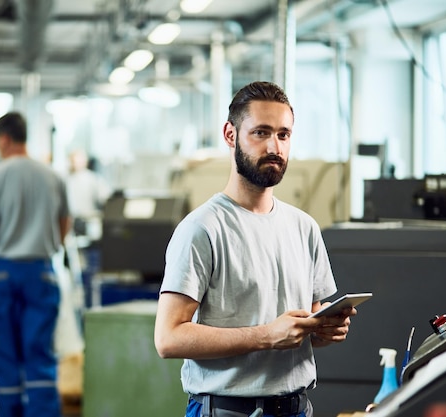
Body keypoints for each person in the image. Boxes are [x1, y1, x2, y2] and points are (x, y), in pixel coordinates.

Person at [154, 81, 355, 417]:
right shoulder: (203, 228)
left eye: (283, 134)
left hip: (296, 407)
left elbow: (306, 328)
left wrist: (323, 329)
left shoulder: (304, 227)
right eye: (260, 133)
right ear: (230, 135)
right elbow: (169, 338)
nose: (274, 146)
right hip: (227, 409)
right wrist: (266, 336)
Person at [0, 111, 71, 417]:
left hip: (1, 275)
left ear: (3, 139)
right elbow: (64, 227)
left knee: (6, 356)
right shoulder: (53, 176)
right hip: (41, 272)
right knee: (39, 354)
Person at [66, 149, 112, 238]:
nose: (76, 163)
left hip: (88, 221)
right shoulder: (66, 179)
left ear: (85, 161)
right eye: (73, 160)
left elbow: (106, 197)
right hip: (71, 221)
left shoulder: (93, 179)